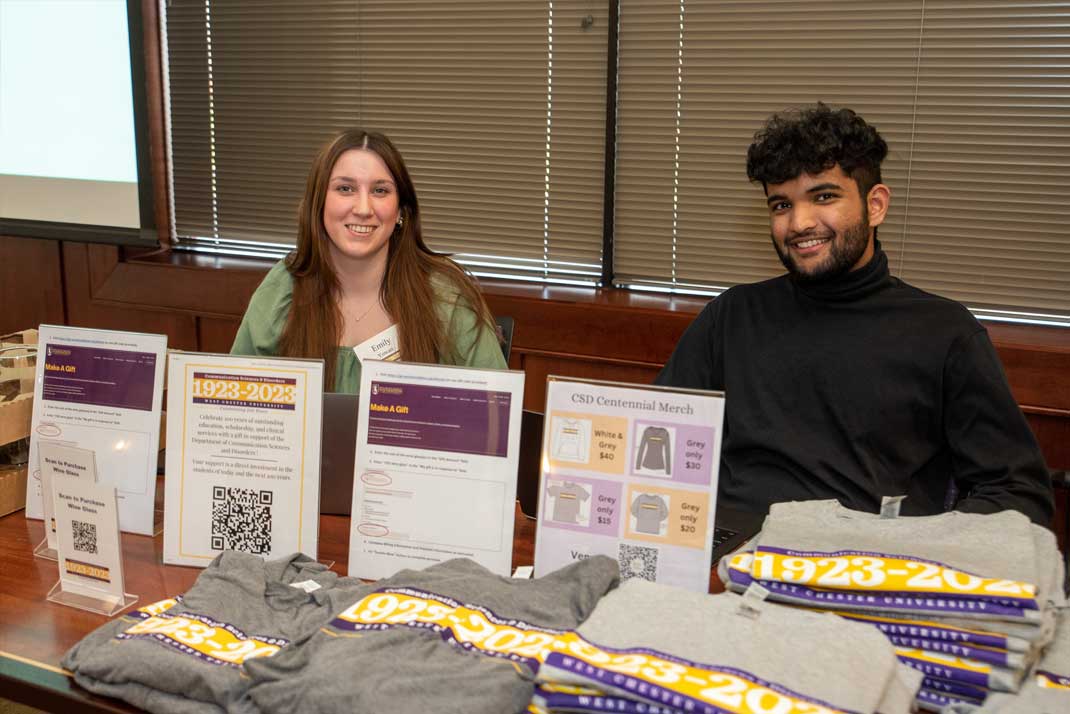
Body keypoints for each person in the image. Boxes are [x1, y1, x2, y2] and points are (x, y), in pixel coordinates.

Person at [656, 103, 1053, 525]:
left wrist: (916, 551)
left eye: (823, 196)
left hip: (866, 566)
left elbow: (1018, 494)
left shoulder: (945, 333)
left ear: (875, 205)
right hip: (729, 559)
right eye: (780, 205)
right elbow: (655, 437)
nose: (799, 223)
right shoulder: (731, 316)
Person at [231, 130, 507, 392]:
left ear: (400, 209)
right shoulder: (283, 287)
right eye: (345, 188)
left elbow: (495, 416)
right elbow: (238, 404)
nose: (363, 209)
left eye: (380, 191)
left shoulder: (445, 295)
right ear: (319, 203)